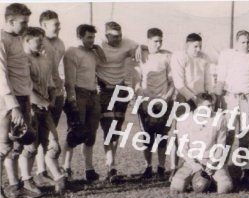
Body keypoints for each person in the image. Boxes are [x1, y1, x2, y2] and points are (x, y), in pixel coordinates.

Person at [18, 27, 65, 195]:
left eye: (42, 40)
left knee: (53, 146)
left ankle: (57, 178)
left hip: (45, 108)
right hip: (28, 108)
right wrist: (38, 102)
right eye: (38, 41)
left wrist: (51, 100)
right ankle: (26, 181)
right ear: (27, 40)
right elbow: (25, 87)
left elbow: (51, 83)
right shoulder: (22, 60)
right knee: (30, 147)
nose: (41, 44)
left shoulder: (44, 59)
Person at [216, 30, 249, 184]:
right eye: (243, 42)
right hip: (231, 98)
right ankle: (222, 168)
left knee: (245, 137)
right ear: (237, 42)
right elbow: (221, 78)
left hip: (248, 98)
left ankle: (245, 169)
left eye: (248, 41)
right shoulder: (227, 54)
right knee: (227, 134)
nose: (246, 44)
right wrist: (218, 101)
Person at [96, 21, 138, 183]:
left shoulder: (127, 43)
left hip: (121, 89)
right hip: (104, 89)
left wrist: (140, 48)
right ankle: (110, 166)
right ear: (106, 35)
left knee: (117, 130)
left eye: (120, 35)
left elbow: (138, 48)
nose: (118, 38)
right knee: (108, 127)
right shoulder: (98, 45)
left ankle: (112, 163)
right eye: (114, 36)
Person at [62, 24, 105, 182]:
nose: (91, 40)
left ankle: (89, 169)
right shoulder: (72, 52)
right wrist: (72, 99)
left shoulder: (93, 53)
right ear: (79, 36)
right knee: (74, 133)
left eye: (93, 37)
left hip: (93, 95)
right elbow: (69, 79)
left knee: (90, 135)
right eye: (88, 37)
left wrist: (99, 51)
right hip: (78, 94)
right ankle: (66, 168)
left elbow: (102, 67)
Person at [1, 3, 33, 198]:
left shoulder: (19, 39)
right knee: (2, 146)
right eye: (23, 22)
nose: (26, 26)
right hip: (6, 101)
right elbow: (1, 75)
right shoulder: (1, 39)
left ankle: (15, 186)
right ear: (10, 21)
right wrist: (13, 106)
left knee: (18, 144)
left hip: (23, 97)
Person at [169, 33, 214, 179]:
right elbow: (179, 84)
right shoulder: (179, 56)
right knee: (179, 135)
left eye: (200, 46)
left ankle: (199, 168)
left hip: (201, 100)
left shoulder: (204, 58)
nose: (198, 49)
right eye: (195, 46)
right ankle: (173, 168)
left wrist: (210, 97)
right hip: (184, 98)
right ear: (187, 45)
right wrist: (194, 99)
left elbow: (208, 81)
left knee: (201, 134)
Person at [170, 93, 233, 194]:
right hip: (192, 161)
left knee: (225, 188)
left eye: (212, 105)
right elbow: (183, 149)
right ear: (199, 106)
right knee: (176, 188)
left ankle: (212, 179)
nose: (212, 108)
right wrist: (193, 164)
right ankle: (194, 178)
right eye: (208, 106)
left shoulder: (220, 119)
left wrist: (213, 164)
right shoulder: (184, 119)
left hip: (212, 160)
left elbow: (221, 146)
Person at [134, 28, 174, 180]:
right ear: (148, 40)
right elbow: (136, 82)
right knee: (147, 137)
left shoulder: (167, 56)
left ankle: (162, 168)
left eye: (160, 41)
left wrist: (166, 98)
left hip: (163, 101)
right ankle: (148, 167)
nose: (158, 44)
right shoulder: (140, 56)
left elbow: (172, 82)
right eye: (155, 41)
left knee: (162, 136)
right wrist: (142, 100)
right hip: (146, 102)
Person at [33, 10, 66, 187]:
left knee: (47, 135)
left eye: (59, 23)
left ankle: (43, 171)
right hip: (40, 95)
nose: (59, 27)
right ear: (44, 25)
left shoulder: (60, 43)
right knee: (41, 135)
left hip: (56, 92)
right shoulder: (37, 41)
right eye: (55, 24)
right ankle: (41, 171)